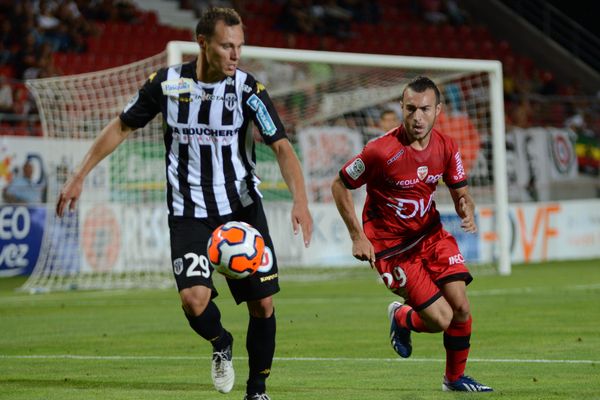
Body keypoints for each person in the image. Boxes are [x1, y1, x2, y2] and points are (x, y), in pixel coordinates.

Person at [55, 8, 313, 400]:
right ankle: (221, 341)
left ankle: (257, 390)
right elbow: (123, 125)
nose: (235, 54)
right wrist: (79, 175)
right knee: (194, 301)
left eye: (240, 46)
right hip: (190, 212)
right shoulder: (166, 84)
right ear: (203, 44)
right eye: (228, 46)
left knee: (262, 304)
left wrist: (301, 200)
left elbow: (281, 145)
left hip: (242, 210)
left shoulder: (248, 90)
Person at [331, 76, 492, 392]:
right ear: (401, 109)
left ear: (438, 111)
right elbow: (339, 185)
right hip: (392, 249)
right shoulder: (379, 151)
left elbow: (462, 193)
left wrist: (466, 207)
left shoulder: (446, 146)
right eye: (411, 109)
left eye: (425, 109)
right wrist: (356, 236)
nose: (417, 117)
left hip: (431, 235)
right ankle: (403, 318)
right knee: (441, 319)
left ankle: (454, 379)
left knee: (460, 306)